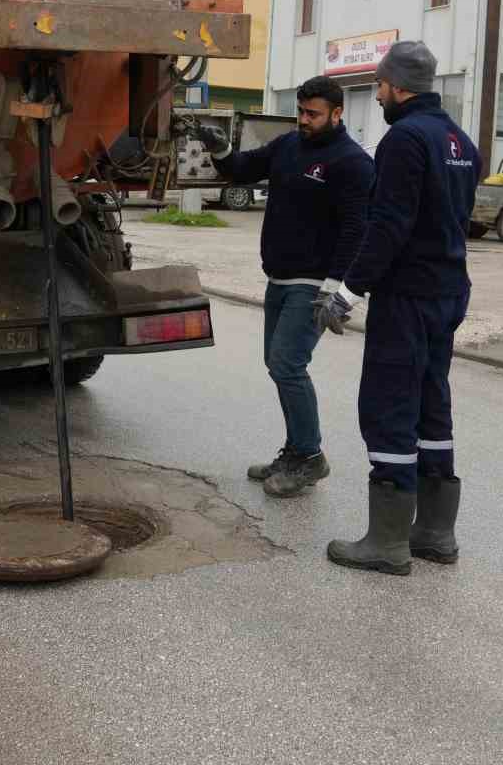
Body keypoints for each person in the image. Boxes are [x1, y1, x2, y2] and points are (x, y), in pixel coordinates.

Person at [311, 41, 479, 575]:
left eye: (381, 85)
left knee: (389, 406)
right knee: (433, 405)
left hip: (407, 296)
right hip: (448, 291)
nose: (378, 94)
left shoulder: (404, 139)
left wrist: (346, 291)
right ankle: (434, 532)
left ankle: (386, 542)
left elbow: (389, 226)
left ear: (397, 86)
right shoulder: (459, 140)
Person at [190, 77, 374, 497]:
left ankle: (309, 458)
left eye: (314, 114)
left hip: (313, 284)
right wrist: (219, 149)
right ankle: (295, 451)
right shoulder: (288, 147)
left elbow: (356, 229)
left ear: (337, 113)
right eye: (302, 112)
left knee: (288, 364)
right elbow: (242, 169)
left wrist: (336, 291)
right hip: (279, 277)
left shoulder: (352, 162)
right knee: (278, 365)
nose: (305, 120)